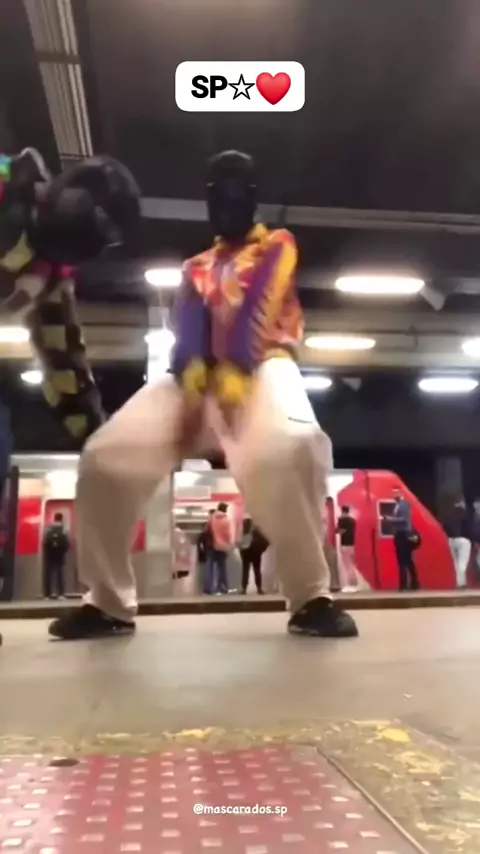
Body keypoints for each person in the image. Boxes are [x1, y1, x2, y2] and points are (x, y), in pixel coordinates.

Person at [48, 148, 358, 641]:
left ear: (252, 198)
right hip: (195, 380)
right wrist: (193, 378)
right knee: (106, 456)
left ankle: (310, 597)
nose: (226, 204)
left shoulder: (277, 244)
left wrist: (236, 370)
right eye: (217, 194)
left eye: (236, 192)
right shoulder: (196, 265)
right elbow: (189, 328)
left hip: (262, 366)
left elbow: (260, 303)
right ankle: (107, 603)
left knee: (295, 445)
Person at [390, 488, 420, 591]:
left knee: (404, 560)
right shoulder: (397, 505)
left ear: (400, 493)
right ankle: (411, 583)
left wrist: (390, 520)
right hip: (399, 533)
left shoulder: (404, 504)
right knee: (405, 560)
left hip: (403, 534)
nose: (393, 496)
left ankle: (405, 584)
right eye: (392, 494)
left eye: (395, 493)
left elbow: (404, 519)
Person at [440, 495, 471, 589]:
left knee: (456, 563)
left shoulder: (448, 515)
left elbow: (444, 526)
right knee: (463, 562)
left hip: (452, 540)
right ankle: (461, 583)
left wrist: (449, 535)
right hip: (463, 539)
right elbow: (469, 527)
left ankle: (460, 583)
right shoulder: (464, 514)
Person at [42, 512, 70, 599]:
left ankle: (47, 594)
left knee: (48, 573)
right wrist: (63, 551)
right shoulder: (64, 529)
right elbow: (67, 543)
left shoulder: (49, 528)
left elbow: (45, 541)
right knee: (59, 573)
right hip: (59, 553)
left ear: (54, 518)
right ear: (61, 519)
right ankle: (60, 593)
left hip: (49, 553)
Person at [209, 502, 232, 593]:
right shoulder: (225, 520)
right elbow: (227, 534)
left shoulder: (212, 518)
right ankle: (223, 586)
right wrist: (229, 544)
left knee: (213, 567)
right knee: (222, 567)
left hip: (213, 545)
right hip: (223, 546)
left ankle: (214, 587)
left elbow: (209, 531)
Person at [240, 520, 268, 594]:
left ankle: (244, 589)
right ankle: (259, 588)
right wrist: (261, 550)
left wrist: (241, 551)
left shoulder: (243, 532)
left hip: (246, 553)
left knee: (245, 571)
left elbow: (240, 543)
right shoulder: (257, 531)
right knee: (257, 570)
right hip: (256, 553)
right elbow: (266, 541)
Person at [337, 506, 358, 592]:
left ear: (342, 511)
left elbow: (340, 531)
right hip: (352, 544)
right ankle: (355, 583)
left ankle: (351, 585)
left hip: (344, 544)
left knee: (347, 565)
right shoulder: (352, 520)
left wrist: (336, 531)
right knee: (351, 564)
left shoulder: (341, 520)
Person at [197, 509, 215, 593]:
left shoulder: (205, 531)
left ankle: (207, 586)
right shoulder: (212, 526)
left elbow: (200, 543)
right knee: (210, 568)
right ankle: (209, 586)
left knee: (207, 569)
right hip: (211, 549)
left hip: (207, 550)